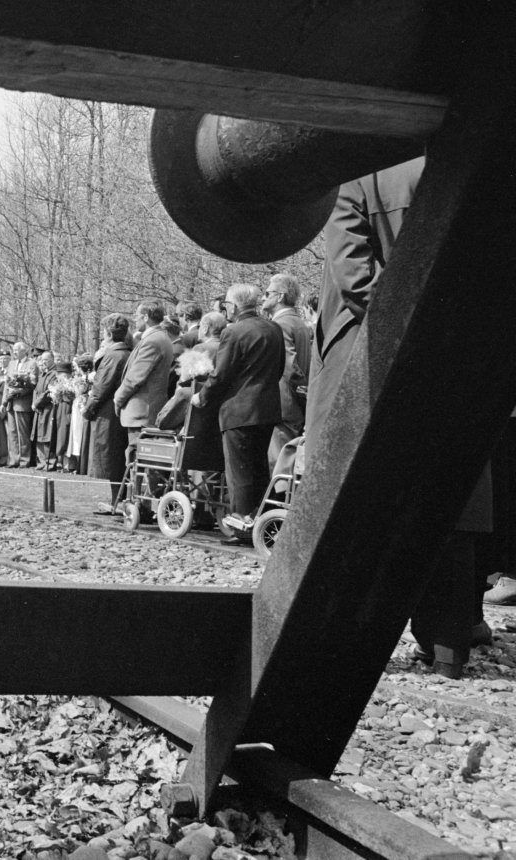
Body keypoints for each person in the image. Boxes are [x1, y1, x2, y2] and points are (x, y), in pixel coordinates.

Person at [311, 155, 490, 677]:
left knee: (355, 499)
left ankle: (339, 635)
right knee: (449, 497)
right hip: (459, 356)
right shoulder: (483, 167)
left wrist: (409, 328)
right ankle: (449, 643)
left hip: (375, 356)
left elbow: (353, 276)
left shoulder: (362, 174)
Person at [193, 284, 285, 541]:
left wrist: (202, 396)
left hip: (238, 411)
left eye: (227, 306)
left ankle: (241, 527)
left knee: (239, 472)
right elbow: (278, 369)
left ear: (233, 306)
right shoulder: (273, 328)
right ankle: (260, 524)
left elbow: (220, 375)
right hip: (266, 408)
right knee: (258, 469)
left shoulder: (233, 332)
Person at [114, 300, 175, 476]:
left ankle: (139, 502)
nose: (134, 319)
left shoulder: (153, 341)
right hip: (146, 409)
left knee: (138, 462)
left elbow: (135, 378)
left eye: (137, 315)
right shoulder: (158, 338)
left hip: (142, 411)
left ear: (146, 317)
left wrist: (118, 399)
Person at [262, 272, 312, 466]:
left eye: (267, 293)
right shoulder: (299, 322)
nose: (263, 298)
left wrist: (300, 392)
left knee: (278, 464)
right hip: (294, 404)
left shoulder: (280, 324)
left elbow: (289, 367)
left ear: (280, 296)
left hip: (283, 404)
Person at [85, 314, 132, 508]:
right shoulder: (128, 352)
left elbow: (100, 387)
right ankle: (118, 499)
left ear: (108, 333)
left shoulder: (113, 355)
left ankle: (117, 500)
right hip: (119, 410)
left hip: (109, 412)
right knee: (117, 456)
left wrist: (88, 409)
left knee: (112, 457)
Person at [3, 342, 39, 467]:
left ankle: (24, 460)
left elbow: (33, 385)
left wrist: (19, 391)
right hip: (11, 403)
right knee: (12, 432)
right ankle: (13, 460)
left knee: (23, 433)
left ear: (24, 351)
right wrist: (4, 401)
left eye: (17, 350)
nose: (14, 352)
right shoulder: (11, 364)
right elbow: (7, 384)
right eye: (14, 350)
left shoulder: (32, 363)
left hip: (23, 403)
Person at [31, 351, 58, 470]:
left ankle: (49, 462)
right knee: (38, 435)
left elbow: (49, 392)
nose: (43, 362)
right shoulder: (43, 374)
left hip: (48, 408)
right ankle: (41, 462)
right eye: (42, 360)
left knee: (47, 435)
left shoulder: (54, 374)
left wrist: (37, 403)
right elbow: (36, 391)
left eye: (46, 360)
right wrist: (34, 403)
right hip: (39, 409)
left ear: (52, 359)